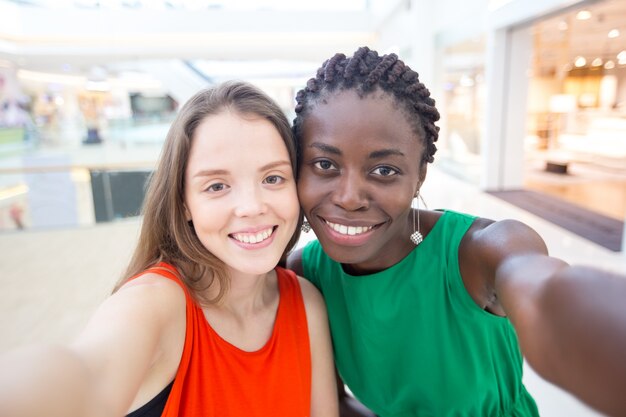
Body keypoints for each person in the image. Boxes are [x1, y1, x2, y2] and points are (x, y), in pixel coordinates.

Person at [287, 46, 626, 417]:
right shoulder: (305, 272)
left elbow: (547, 301)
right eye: (324, 164)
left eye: (384, 170)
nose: (349, 198)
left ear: (419, 177)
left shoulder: (483, 251)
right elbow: (332, 400)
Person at [0, 81, 339, 417]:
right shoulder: (155, 304)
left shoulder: (306, 303)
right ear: (184, 203)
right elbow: (84, 377)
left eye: (273, 178)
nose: (251, 206)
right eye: (217, 186)